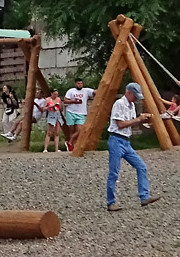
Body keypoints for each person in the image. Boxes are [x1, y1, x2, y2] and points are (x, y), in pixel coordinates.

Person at [106, 82, 161, 212]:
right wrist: (138, 119)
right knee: (114, 172)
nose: (136, 99)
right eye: (135, 95)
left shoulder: (131, 106)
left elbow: (131, 124)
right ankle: (110, 202)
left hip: (126, 142)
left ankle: (144, 197)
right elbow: (120, 124)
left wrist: (145, 121)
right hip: (116, 140)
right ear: (128, 92)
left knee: (141, 166)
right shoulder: (119, 104)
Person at [62, 77, 95, 152]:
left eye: (81, 83)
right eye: (78, 83)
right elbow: (65, 100)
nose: (80, 85)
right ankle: (72, 147)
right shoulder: (71, 91)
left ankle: (69, 142)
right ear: (75, 84)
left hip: (81, 113)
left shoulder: (86, 90)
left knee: (81, 130)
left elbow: (94, 92)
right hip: (71, 112)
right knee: (72, 130)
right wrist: (73, 101)